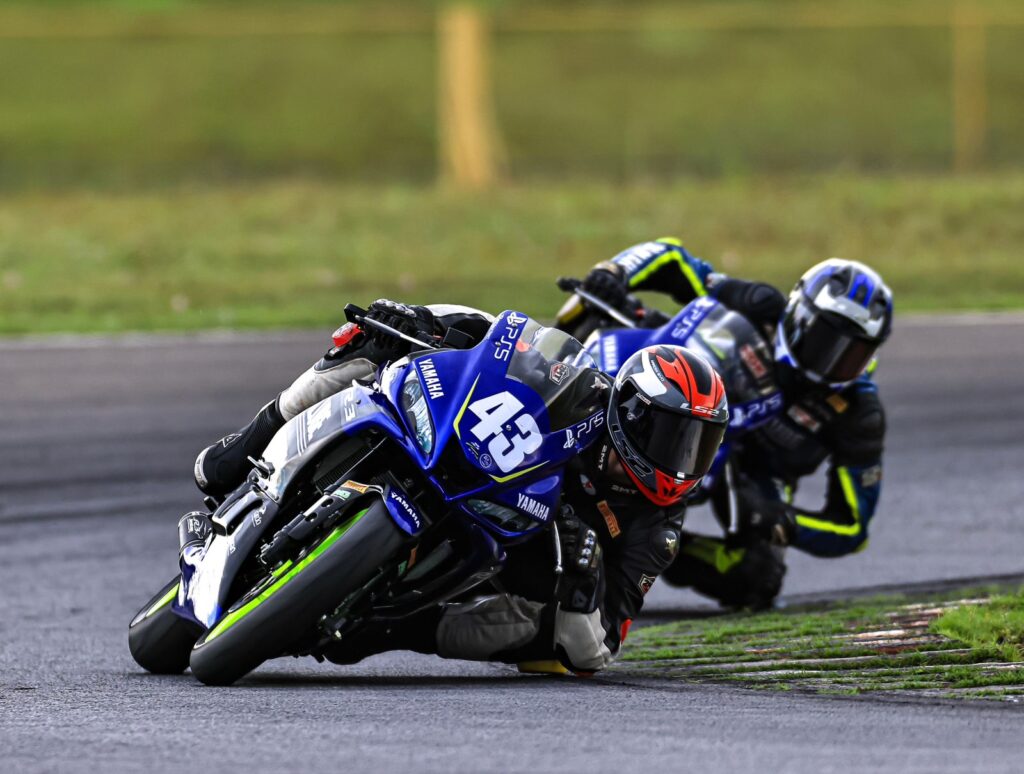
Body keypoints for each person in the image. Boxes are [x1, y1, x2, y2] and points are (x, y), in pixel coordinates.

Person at [191, 298, 728, 672]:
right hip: (467, 449)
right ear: (631, 411)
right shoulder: (587, 391)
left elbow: (599, 647)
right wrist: (421, 320)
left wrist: (586, 574)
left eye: (697, 444)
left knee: (538, 633)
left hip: (509, 551)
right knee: (366, 349)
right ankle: (241, 450)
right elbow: (498, 334)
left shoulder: (656, 528)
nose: (681, 460)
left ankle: (387, 629)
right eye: (672, 434)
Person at [557, 238, 892, 609]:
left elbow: (852, 528)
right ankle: (547, 365)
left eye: (853, 353)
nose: (833, 361)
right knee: (598, 297)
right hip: (682, 400)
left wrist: (788, 522)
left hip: (750, 472)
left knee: (757, 576)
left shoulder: (859, 413)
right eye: (826, 340)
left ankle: (651, 553)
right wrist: (615, 271)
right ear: (798, 316)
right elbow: (672, 257)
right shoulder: (760, 304)